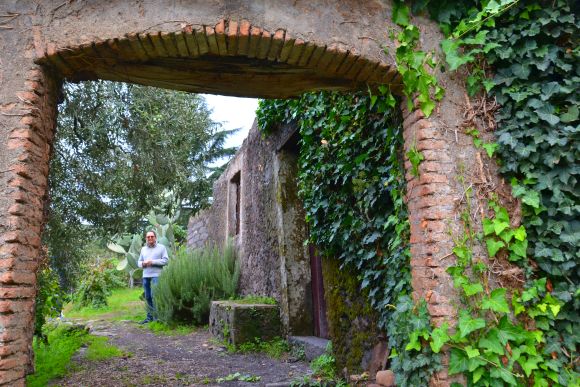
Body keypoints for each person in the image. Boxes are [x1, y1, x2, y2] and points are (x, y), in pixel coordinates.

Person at [138, 230, 169, 324]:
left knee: (155, 296)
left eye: (152, 236)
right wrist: (143, 263)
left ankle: (157, 318)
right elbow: (138, 262)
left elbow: (166, 261)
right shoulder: (143, 249)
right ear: (146, 238)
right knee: (147, 297)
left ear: (155, 237)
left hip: (157, 275)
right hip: (146, 275)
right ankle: (149, 318)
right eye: (148, 237)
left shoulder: (161, 248)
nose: (150, 238)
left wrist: (152, 262)